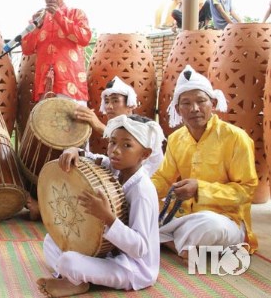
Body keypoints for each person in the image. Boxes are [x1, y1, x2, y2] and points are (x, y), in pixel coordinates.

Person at [36, 114, 165, 297]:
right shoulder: (113, 167)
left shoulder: (142, 191)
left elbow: (140, 248)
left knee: (69, 260)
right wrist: (74, 150)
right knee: (51, 240)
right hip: (107, 252)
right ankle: (76, 279)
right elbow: (92, 157)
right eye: (112, 142)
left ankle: (73, 278)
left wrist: (107, 217)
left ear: (144, 154)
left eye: (127, 145)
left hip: (132, 267)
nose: (115, 151)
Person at [152, 64, 258, 260]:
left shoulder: (236, 137)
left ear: (213, 103)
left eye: (201, 101)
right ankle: (183, 246)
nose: (194, 109)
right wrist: (143, 190)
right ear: (177, 108)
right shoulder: (176, 138)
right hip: (183, 216)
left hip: (224, 219)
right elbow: (164, 178)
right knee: (140, 214)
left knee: (209, 225)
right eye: (186, 103)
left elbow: (246, 191)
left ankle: (171, 241)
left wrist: (200, 189)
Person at [21, 0, 91, 106]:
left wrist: (58, 16)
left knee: (72, 123)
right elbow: (26, 49)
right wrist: (36, 27)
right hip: (44, 84)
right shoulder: (37, 18)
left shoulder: (76, 14)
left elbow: (84, 38)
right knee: (45, 124)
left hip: (70, 83)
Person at [73, 76, 164, 177]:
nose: (109, 106)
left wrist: (99, 126)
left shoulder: (146, 129)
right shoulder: (116, 129)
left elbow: (146, 171)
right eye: (107, 101)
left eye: (115, 101)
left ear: (130, 105)